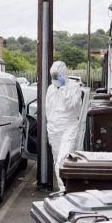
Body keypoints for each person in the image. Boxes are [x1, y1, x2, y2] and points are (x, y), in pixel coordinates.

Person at [45, 61, 83, 190]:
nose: (54, 79)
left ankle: (64, 191)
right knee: (57, 160)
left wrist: (63, 88)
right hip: (54, 129)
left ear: (63, 75)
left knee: (63, 160)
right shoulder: (51, 89)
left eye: (57, 76)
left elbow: (73, 106)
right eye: (53, 77)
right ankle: (66, 188)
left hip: (69, 127)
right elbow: (48, 110)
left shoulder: (74, 87)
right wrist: (50, 126)